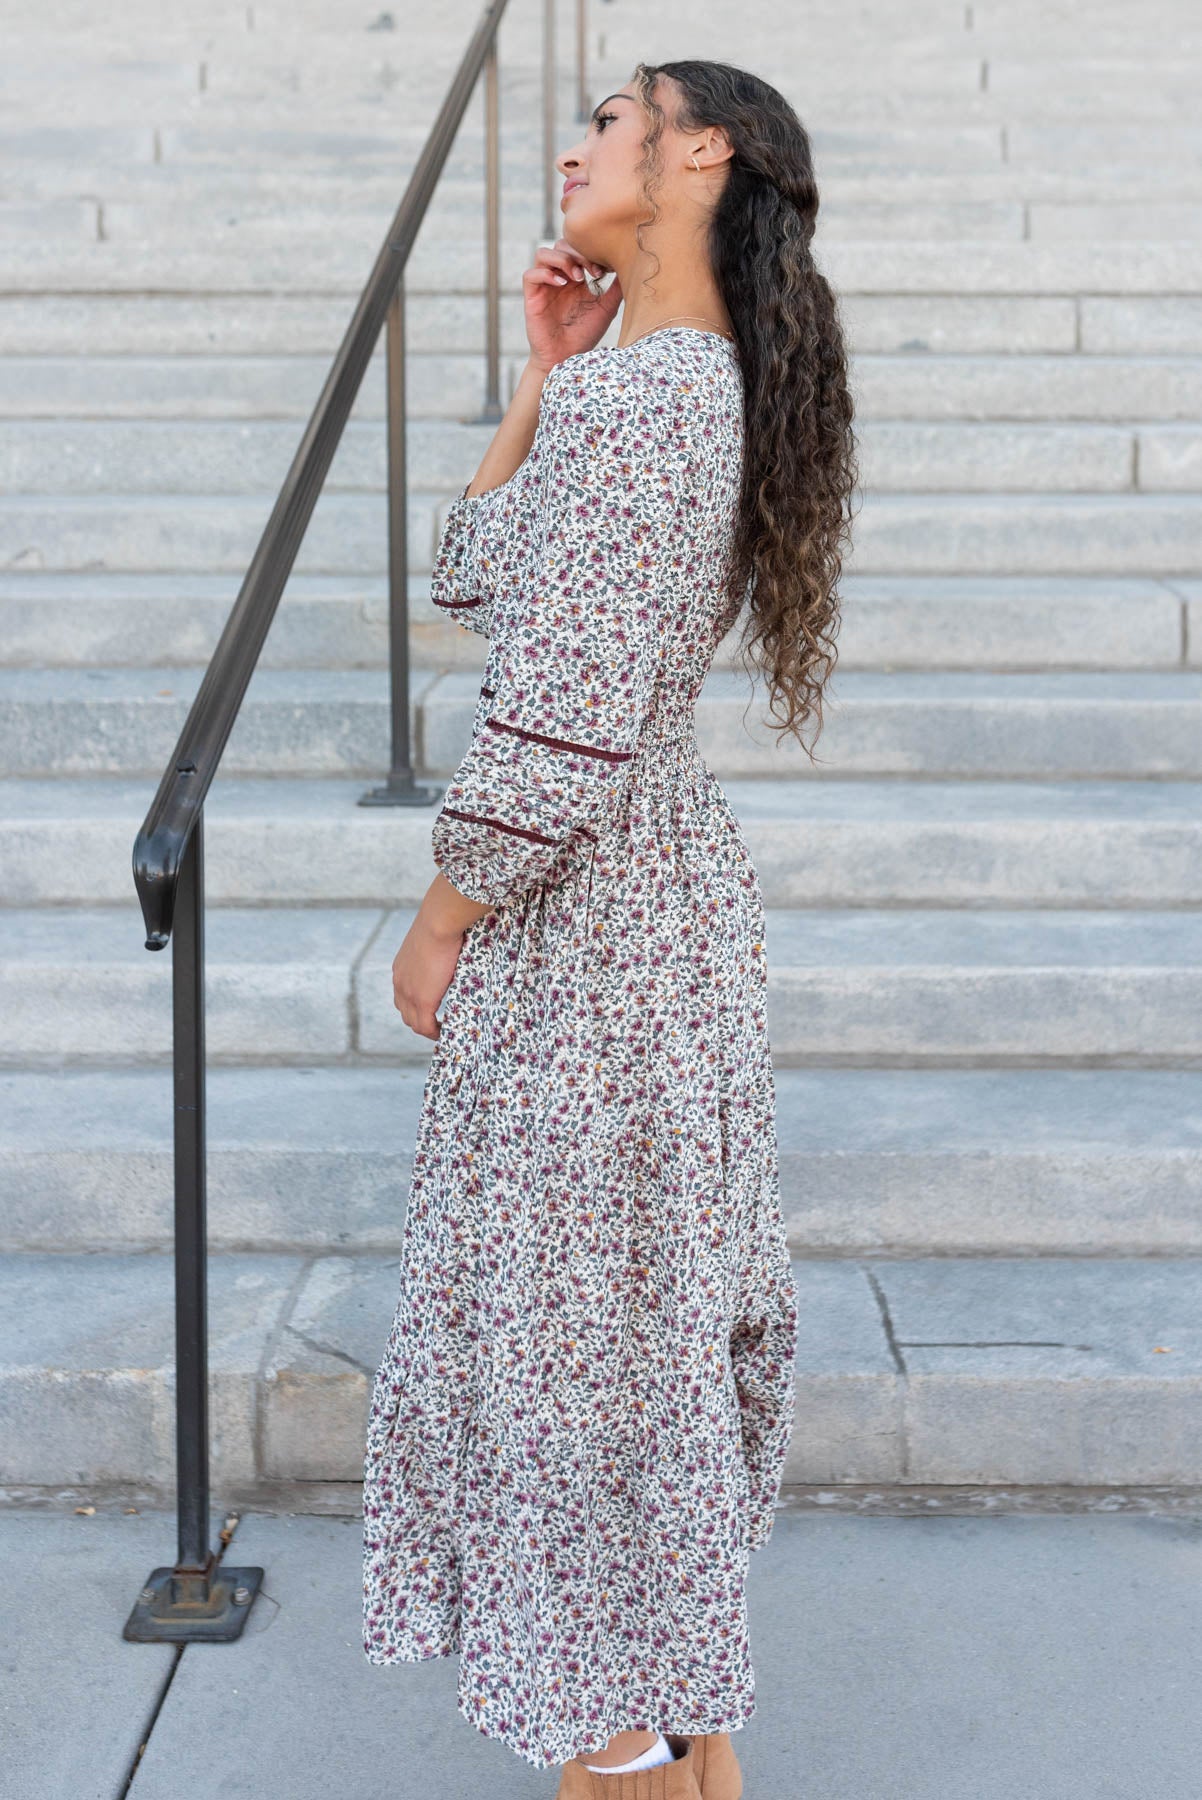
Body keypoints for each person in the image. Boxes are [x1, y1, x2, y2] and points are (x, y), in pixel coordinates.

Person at [362, 56, 858, 1798]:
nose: (573, 146)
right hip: (641, 919)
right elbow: (466, 577)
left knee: (581, 1362)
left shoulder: (665, 408)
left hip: (600, 934)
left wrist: (439, 919)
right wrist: (538, 380)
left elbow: (563, 722)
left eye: (607, 119)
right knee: (624, 1343)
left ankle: (622, 1759)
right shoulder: (636, 390)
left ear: (698, 153)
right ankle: (675, 1742)